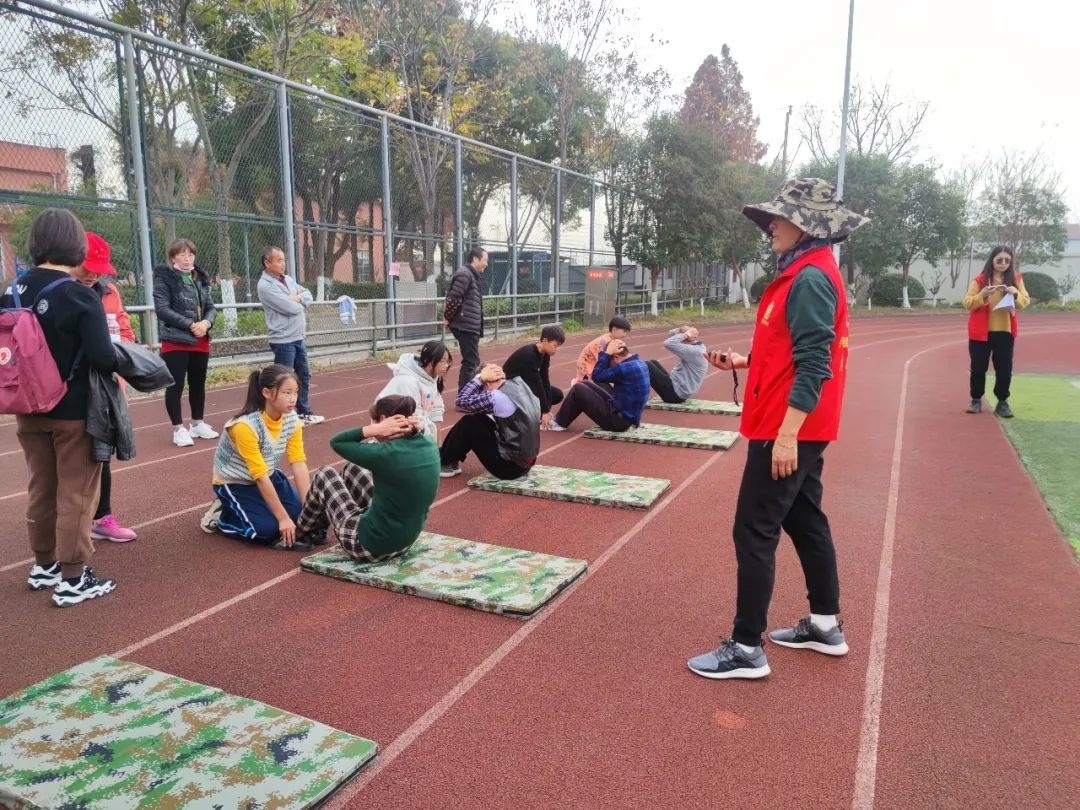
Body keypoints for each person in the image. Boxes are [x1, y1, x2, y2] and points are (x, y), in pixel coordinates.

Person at [686, 177, 868, 680]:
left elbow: (814, 364)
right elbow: (793, 348)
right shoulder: (807, 271)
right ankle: (825, 624)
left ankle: (746, 648)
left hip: (787, 425)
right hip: (801, 422)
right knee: (805, 520)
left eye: (779, 218)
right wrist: (745, 361)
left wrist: (786, 435)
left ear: (805, 225)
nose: (770, 226)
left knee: (754, 528)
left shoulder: (808, 279)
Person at [2, 209, 119, 605]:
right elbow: (103, 357)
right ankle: (73, 578)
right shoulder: (79, 295)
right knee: (77, 493)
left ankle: (44, 565)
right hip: (73, 410)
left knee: (41, 486)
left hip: (26, 406)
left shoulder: (11, 291)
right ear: (76, 246)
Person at [296, 395, 440, 562]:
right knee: (353, 468)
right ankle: (319, 529)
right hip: (405, 543)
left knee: (325, 474)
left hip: (370, 547)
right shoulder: (429, 443)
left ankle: (300, 533)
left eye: (375, 422)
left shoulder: (386, 454)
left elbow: (337, 442)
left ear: (383, 420)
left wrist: (374, 430)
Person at [72, 231, 138, 543]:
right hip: (72, 389)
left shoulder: (109, 291)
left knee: (102, 452)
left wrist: (121, 365)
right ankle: (72, 524)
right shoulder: (62, 293)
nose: (92, 274)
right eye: (87, 267)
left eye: (99, 270)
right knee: (72, 458)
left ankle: (103, 516)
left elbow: (124, 328)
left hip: (106, 385)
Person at [211, 364, 312, 549]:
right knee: (265, 531)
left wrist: (309, 510)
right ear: (266, 392)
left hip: (269, 475)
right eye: (286, 393)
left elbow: (298, 462)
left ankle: (252, 509)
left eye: (296, 392)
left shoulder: (292, 419)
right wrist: (282, 518)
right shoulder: (244, 427)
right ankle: (222, 517)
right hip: (237, 483)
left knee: (299, 517)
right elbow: (259, 476)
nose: (293, 398)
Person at [153, 238, 218, 447]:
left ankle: (197, 423)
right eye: (182, 254)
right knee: (176, 385)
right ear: (173, 257)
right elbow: (162, 309)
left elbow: (210, 307)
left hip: (200, 339)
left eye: (190, 254)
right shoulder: (164, 279)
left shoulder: (200, 278)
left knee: (198, 383)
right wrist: (190, 324)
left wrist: (206, 323)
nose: (187, 258)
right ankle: (178, 429)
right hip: (176, 340)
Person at [256, 245, 324, 426]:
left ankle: (303, 413)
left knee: (303, 375)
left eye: (284, 260)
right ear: (267, 263)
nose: (283, 263)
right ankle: (281, 416)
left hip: (298, 337)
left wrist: (298, 298)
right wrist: (296, 301)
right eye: (279, 260)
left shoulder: (288, 280)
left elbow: (308, 295)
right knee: (283, 380)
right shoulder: (265, 286)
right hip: (283, 340)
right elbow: (290, 308)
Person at [439, 363, 540, 480]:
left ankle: (444, 461)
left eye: (480, 390)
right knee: (479, 418)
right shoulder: (519, 385)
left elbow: (460, 401)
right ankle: (451, 458)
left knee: (469, 423)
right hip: (525, 463)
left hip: (509, 468)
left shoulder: (497, 397)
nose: (480, 394)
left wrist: (479, 379)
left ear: (486, 383)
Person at [963, 246, 1030, 418]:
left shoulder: (1016, 279)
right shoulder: (980, 280)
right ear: (992, 260)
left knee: (1004, 369)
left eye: (1007, 260)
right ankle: (976, 399)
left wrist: (1015, 294)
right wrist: (983, 294)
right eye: (999, 260)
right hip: (981, 333)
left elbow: (1024, 302)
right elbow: (968, 303)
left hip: (1005, 332)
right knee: (978, 368)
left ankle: (1002, 401)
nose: (1003, 263)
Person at [550, 338, 650, 433]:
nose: (609, 366)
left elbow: (596, 375)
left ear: (616, 357)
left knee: (578, 389)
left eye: (609, 362)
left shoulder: (623, 368)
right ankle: (562, 418)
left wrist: (606, 354)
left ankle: (558, 423)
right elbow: (600, 379)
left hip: (619, 422)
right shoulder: (639, 362)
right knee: (585, 383)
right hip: (626, 415)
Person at [377, 340, 452, 440]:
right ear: (429, 361)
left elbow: (436, 413)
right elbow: (414, 420)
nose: (446, 365)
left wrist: (438, 447)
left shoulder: (433, 378)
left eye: (447, 361)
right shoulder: (409, 382)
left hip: (412, 429)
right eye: (442, 361)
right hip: (392, 432)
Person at [502, 324, 565, 430]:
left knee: (557, 394)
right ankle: (527, 415)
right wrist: (544, 411)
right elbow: (536, 384)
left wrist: (547, 409)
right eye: (555, 346)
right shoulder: (529, 355)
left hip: (524, 384)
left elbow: (544, 379)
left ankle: (538, 414)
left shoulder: (545, 354)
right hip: (510, 387)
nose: (556, 349)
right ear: (545, 341)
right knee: (536, 394)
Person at [444, 247, 487, 390]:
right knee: (471, 361)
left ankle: (467, 392)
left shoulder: (471, 275)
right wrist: (448, 318)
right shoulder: (465, 274)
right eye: (485, 260)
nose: (486, 264)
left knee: (471, 360)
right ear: (475, 259)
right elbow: (453, 298)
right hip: (465, 325)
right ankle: (465, 394)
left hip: (469, 325)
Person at [646, 326, 709, 404]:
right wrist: (687, 333)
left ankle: (638, 394)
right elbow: (671, 334)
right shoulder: (697, 346)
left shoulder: (693, 351)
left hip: (674, 394)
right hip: (678, 389)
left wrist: (686, 334)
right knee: (653, 362)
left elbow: (668, 343)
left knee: (647, 365)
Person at [574, 316, 631, 386]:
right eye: (624, 331)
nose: (625, 335)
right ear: (614, 330)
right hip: (586, 369)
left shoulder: (611, 339)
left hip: (592, 367)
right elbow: (603, 362)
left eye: (626, 332)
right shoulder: (604, 342)